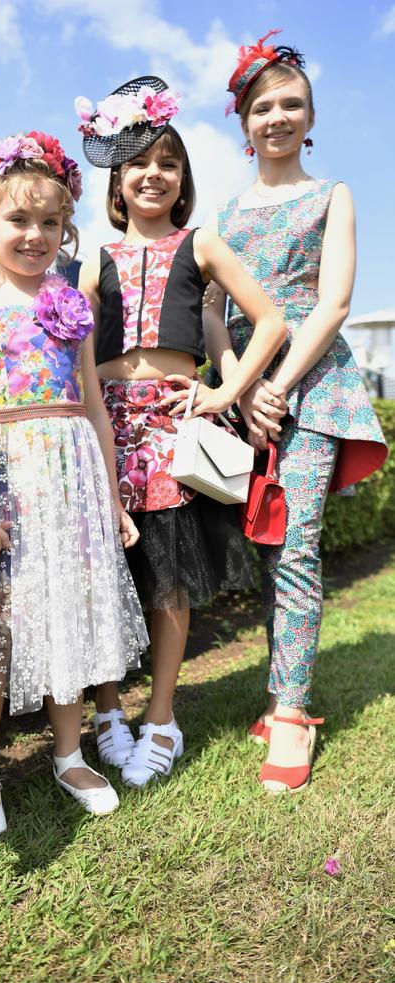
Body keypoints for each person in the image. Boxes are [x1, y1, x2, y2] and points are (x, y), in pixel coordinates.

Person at [76, 77, 287, 788]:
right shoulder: (90, 260)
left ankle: (161, 718)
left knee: (167, 581)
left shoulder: (202, 246)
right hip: (104, 430)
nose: (154, 175)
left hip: (169, 427)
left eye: (168, 163)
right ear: (116, 180)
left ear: (183, 179)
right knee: (104, 576)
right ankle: (107, 713)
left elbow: (272, 321)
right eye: (138, 163)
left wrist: (225, 390)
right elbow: (64, 343)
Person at [0, 131, 148, 837]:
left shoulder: (72, 304)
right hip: (1, 470)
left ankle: (68, 752)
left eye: (49, 222)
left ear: (67, 226)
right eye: (17, 221)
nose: (34, 235)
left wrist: (112, 496)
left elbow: (92, 403)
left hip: (71, 474)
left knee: (67, 608)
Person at [203, 31, 388, 793]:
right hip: (247, 388)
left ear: (308, 118)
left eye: (291, 105)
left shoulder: (333, 193)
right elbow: (213, 310)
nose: (276, 117)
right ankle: (281, 687)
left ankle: (289, 711)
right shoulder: (225, 209)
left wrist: (281, 385)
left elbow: (337, 300)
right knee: (269, 546)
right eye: (262, 107)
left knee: (301, 543)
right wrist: (241, 387)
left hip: (314, 383)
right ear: (243, 124)